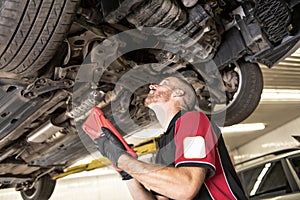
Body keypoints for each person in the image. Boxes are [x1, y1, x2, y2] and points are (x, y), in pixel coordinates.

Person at [93, 76, 247, 199]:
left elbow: (186, 187)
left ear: (178, 93)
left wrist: (124, 160)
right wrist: (125, 172)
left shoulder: (193, 121)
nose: (152, 86)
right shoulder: (164, 147)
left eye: (163, 83)